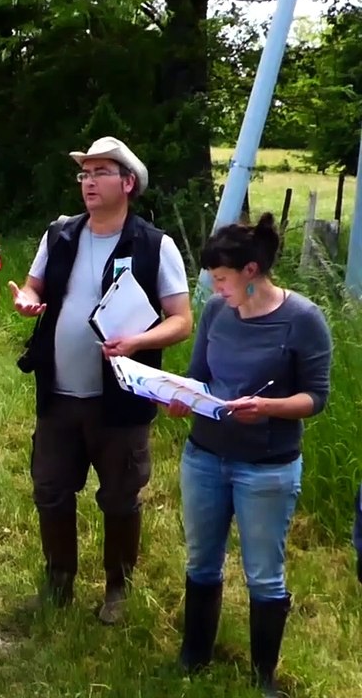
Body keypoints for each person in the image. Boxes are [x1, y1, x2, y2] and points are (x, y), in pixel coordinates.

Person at [9, 136, 193, 624]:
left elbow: (181, 319)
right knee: (50, 488)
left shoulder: (155, 245)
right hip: (58, 394)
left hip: (121, 399)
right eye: (83, 174)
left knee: (119, 495)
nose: (88, 182)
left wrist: (138, 340)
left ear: (127, 183)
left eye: (99, 173)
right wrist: (27, 298)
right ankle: (59, 580)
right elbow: (35, 285)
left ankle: (118, 587)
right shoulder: (61, 234)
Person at [165, 213, 332, 697]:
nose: (217, 290)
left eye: (222, 280)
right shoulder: (218, 313)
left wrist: (269, 409)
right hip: (205, 455)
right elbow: (199, 375)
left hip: (267, 466)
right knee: (201, 560)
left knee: (263, 570)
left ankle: (263, 676)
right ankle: (193, 656)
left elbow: (316, 398)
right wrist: (181, 398)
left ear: (252, 272)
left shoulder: (303, 320)